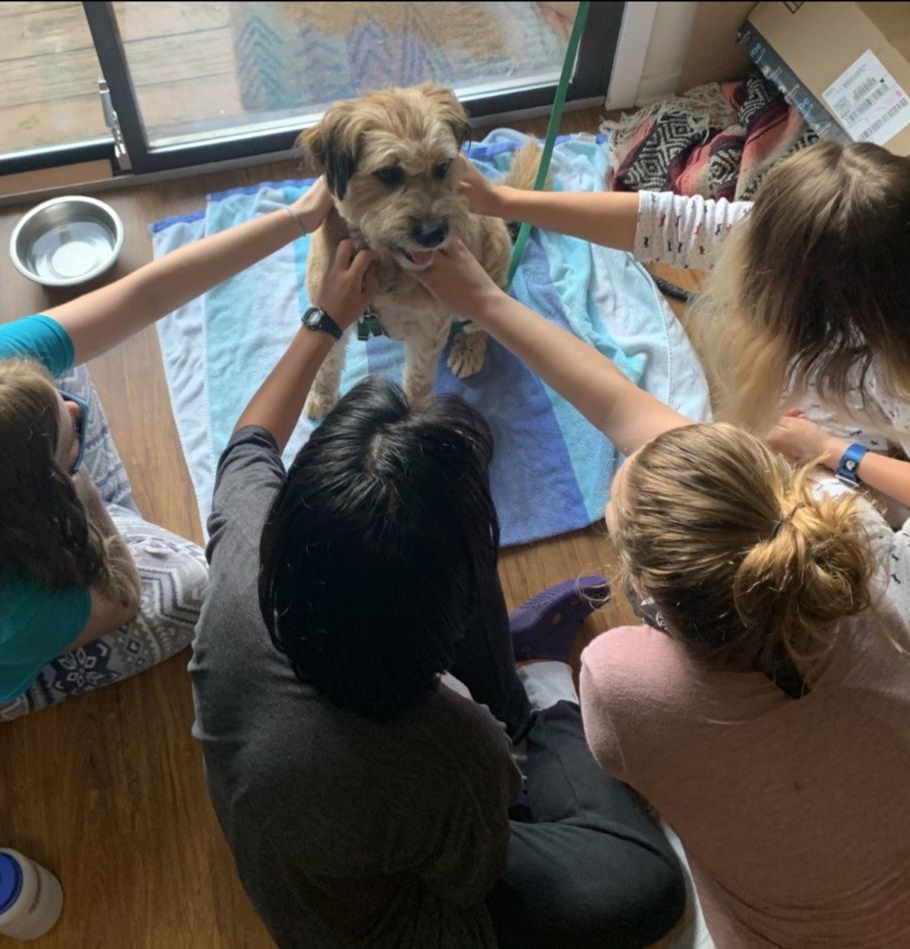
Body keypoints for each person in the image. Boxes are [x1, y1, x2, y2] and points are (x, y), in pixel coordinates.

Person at [411, 231, 910, 948]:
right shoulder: (865, 548)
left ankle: (542, 681)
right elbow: (630, 415)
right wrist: (485, 301)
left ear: (648, 603)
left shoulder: (622, 676)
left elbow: (627, 760)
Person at [188, 235, 685, 948]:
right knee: (645, 884)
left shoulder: (244, 542)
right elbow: (468, 875)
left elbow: (250, 439)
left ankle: (511, 686)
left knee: (424, 519)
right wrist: (501, 746)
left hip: (308, 795)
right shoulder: (450, 752)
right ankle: (545, 699)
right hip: (389, 915)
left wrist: (324, 317)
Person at [0, 181, 330, 727]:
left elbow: (145, 295)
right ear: (30, 507)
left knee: (58, 377)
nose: (77, 410)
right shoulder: (8, 611)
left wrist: (299, 217)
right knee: (192, 585)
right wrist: (84, 492)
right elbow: (121, 600)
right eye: (67, 440)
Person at [454, 141, 910, 514]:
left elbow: (628, 414)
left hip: (841, 477)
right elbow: (667, 224)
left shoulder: (886, 382)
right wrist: (502, 201)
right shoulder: (843, 247)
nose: (738, 239)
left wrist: (832, 450)